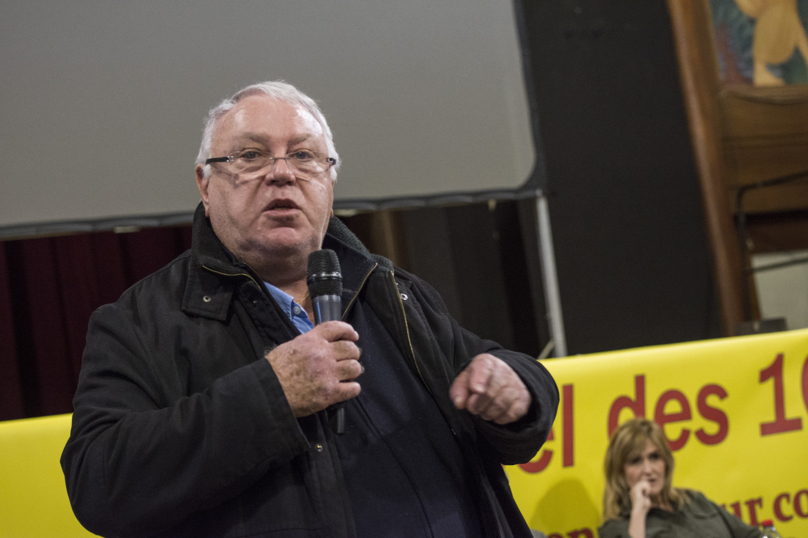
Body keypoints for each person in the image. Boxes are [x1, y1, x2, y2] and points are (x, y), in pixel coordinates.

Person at [61, 80, 559, 538]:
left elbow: (498, 377)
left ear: (330, 181)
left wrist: (519, 391)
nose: (282, 173)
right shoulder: (141, 322)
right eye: (251, 156)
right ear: (204, 184)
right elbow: (98, 484)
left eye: (304, 155)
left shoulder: (390, 288)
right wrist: (271, 396)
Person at [598, 418, 762, 538]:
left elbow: (751, 535)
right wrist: (639, 514)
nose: (648, 470)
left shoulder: (693, 500)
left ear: (665, 462)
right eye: (635, 461)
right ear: (620, 472)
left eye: (654, 457)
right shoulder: (616, 529)